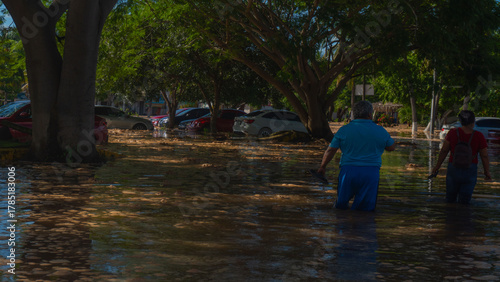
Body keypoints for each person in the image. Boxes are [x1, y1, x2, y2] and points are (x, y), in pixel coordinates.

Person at [317, 101, 396, 211]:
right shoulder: (380, 130)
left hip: (348, 171)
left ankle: (341, 226)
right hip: (370, 173)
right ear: (369, 115)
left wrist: (323, 166)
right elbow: (391, 147)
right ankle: (361, 227)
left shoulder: (344, 130)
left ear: (353, 114)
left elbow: (331, 150)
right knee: (365, 210)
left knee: (340, 207)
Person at [431, 110, 492, 204]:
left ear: (460, 121)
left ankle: (449, 217)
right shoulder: (478, 136)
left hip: (453, 168)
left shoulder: (452, 132)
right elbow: (484, 156)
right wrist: (487, 172)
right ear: (473, 122)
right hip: (470, 170)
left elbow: (444, 151)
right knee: (465, 202)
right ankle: (463, 217)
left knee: (450, 200)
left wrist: (437, 166)